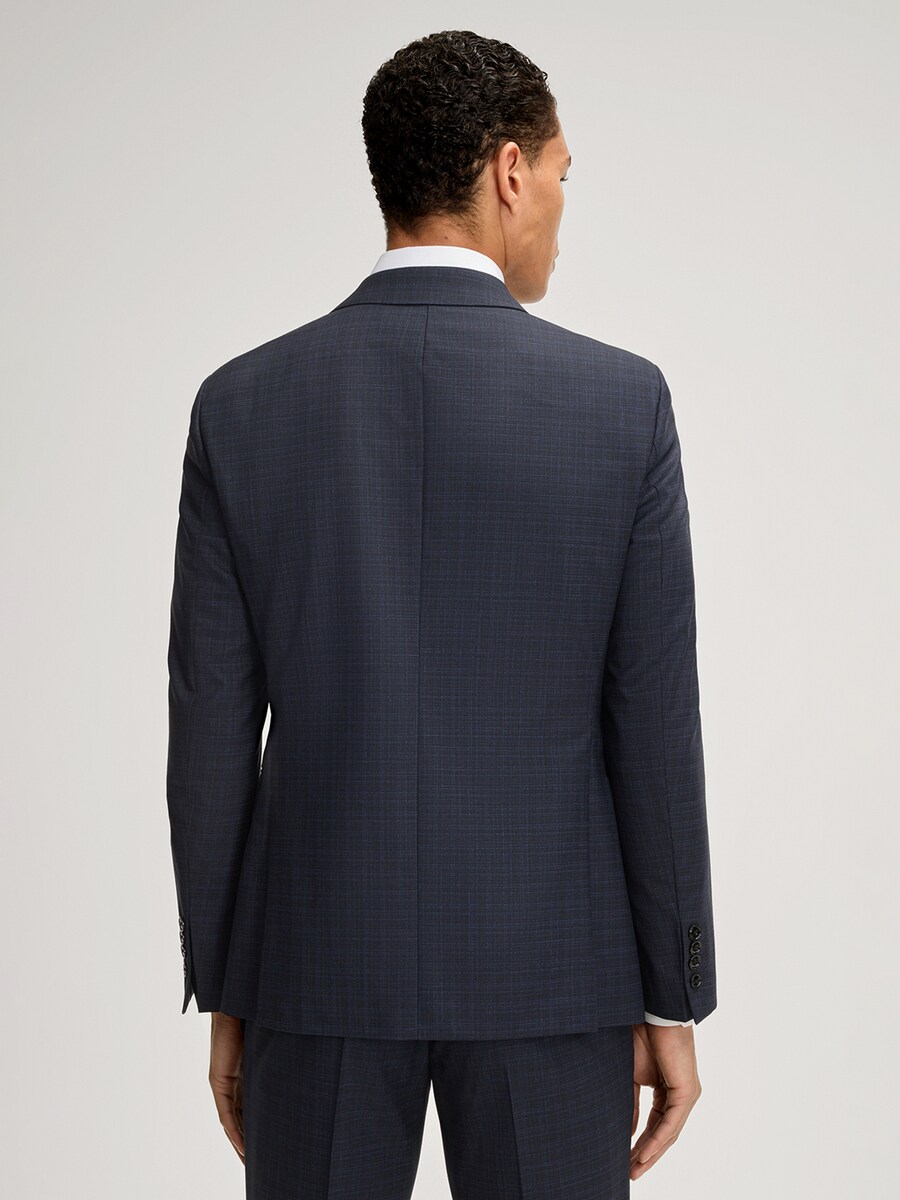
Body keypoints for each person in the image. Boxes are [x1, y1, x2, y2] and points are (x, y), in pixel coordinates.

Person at [166, 28, 717, 1199]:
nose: (562, 203)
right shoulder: (621, 406)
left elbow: (208, 726)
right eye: (561, 173)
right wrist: (671, 995)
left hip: (311, 970)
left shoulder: (242, 406)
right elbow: (654, 721)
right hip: (554, 979)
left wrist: (228, 984)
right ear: (510, 171)